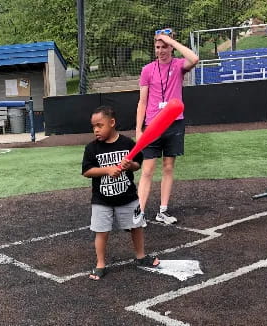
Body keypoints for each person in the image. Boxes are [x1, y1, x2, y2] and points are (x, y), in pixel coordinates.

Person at [82, 105, 159, 281]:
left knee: (136, 226)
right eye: (93, 126)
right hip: (101, 199)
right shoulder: (92, 148)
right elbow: (86, 171)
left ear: (112, 122)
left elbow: (137, 164)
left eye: (100, 125)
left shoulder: (127, 144)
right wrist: (107, 170)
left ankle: (140, 256)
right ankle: (100, 264)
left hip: (128, 197)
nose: (96, 130)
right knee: (101, 231)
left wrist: (129, 165)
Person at [136, 28, 199, 225]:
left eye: (164, 46)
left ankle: (162, 211)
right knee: (147, 170)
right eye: (158, 46)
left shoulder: (179, 65)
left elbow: (194, 58)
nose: (161, 50)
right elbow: (142, 102)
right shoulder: (147, 70)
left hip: (174, 123)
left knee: (168, 167)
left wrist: (171, 41)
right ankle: (139, 214)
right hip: (153, 125)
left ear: (171, 47)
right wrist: (138, 130)